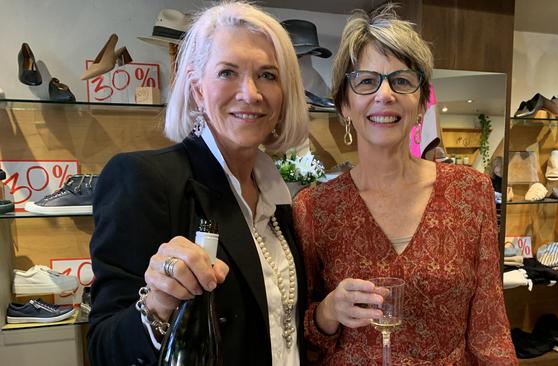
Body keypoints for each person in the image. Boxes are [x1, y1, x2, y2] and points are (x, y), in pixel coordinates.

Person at [292, 6, 517, 365]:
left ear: (422, 102)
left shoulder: (470, 192)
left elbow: (490, 329)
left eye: (402, 80)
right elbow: (300, 338)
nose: (385, 94)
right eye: (366, 81)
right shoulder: (315, 208)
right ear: (344, 105)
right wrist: (329, 312)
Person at [87, 2, 309, 365]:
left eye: (268, 75)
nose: (250, 93)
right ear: (197, 89)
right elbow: (104, 349)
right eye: (227, 72)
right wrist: (158, 305)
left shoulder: (278, 196)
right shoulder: (145, 179)